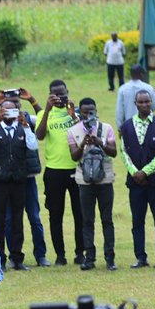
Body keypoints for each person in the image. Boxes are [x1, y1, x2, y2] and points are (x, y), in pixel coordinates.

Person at [119, 91, 155, 269]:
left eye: (147, 102)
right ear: (135, 103)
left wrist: (145, 172)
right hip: (135, 183)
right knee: (137, 221)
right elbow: (124, 152)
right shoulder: (126, 126)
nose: (144, 105)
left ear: (152, 103)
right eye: (141, 102)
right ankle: (140, 257)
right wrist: (135, 172)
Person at [36, 79, 84, 267]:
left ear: (67, 92)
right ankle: (60, 255)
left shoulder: (76, 111)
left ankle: (80, 253)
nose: (59, 97)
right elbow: (39, 135)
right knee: (55, 215)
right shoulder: (43, 113)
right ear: (49, 95)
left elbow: (83, 132)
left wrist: (73, 114)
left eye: (62, 93)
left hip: (76, 169)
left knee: (79, 213)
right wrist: (47, 110)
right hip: (54, 171)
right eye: (54, 94)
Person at [0, 98, 36, 270]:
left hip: (18, 179)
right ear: (0, 112)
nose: (9, 113)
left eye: (12, 110)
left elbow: (33, 145)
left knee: (17, 219)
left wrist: (26, 125)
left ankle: (17, 258)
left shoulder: (22, 128)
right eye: (5, 110)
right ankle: (0, 259)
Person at [67, 98, 118, 271]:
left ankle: (110, 257)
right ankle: (89, 257)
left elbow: (114, 152)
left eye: (92, 112)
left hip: (105, 180)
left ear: (96, 111)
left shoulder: (106, 128)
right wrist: (83, 144)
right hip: (84, 181)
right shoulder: (73, 130)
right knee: (87, 220)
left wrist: (100, 142)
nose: (88, 115)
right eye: (85, 112)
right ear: (79, 112)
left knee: (107, 220)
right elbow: (74, 156)